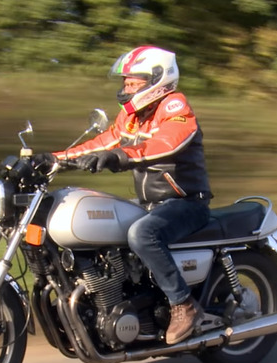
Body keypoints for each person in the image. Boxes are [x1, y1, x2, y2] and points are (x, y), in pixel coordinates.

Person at [34, 46, 212, 345]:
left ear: (157, 80)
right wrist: (53, 158)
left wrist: (121, 156)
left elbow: (166, 144)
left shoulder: (175, 107)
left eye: (133, 83)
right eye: (125, 83)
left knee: (142, 234)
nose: (126, 88)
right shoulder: (131, 117)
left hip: (186, 203)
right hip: (149, 204)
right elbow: (102, 142)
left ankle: (184, 304)